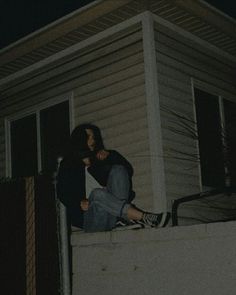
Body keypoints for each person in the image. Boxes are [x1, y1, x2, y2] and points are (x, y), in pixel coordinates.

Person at [57, 123, 170, 232]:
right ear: (80, 140)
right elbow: (62, 191)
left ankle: (121, 219)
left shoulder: (102, 156)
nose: (93, 140)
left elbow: (127, 171)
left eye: (94, 137)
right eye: (89, 137)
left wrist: (110, 156)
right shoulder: (69, 164)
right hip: (92, 218)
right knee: (97, 193)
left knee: (118, 169)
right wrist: (78, 203)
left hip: (113, 213)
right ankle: (141, 216)